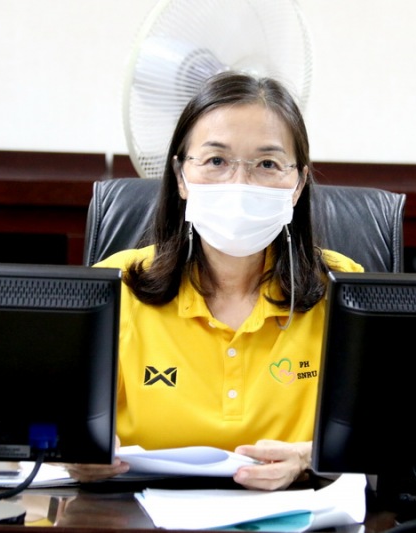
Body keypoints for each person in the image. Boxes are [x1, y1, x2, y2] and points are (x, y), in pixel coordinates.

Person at [66, 71, 363, 491]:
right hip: (135, 510)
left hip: (295, 509)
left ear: (298, 184)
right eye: (216, 161)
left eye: (267, 164)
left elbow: (384, 432)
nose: (239, 183)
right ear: (181, 176)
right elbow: (59, 427)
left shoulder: (344, 288)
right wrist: (74, 453)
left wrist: (309, 458)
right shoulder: (115, 287)